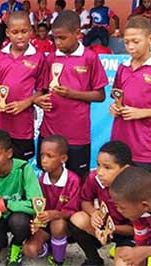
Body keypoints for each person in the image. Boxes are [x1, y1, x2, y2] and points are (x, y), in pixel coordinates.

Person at [35, 10, 108, 180]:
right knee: (48, 176)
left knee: (77, 178)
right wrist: (39, 101)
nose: (57, 42)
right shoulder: (51, 59)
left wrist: (72, 94)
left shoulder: (89, 58)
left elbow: (100, 95)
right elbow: (42, 92)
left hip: (77, 134)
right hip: (50, 131)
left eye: (62, 38)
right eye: (55, 38)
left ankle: (74, 208)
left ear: (77, 34)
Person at [109, 16, 151, 171]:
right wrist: (114, 107)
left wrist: (141, 113)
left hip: (142, 147)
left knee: (138, 192)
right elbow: (117, 97)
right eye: (126, 42)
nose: (130, 47)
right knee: (117, 190)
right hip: (118, 143)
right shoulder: (123, 68)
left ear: (150, 39)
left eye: (136, 41)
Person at [0, 129, 43, 266]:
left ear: (9, 153)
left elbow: (37, 205)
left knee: (19, 222)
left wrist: (8, 204)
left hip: (18, 218)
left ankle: (16, 246)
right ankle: (0, 241)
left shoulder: (24, 169)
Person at [0, 11, 47, 161]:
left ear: (31, 31)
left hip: (22, 125)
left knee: (20, 166)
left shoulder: (39, 58)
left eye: (24, 31)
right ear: (7, 33)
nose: (20, 36)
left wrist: (26, 103)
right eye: (15, 32)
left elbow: (42, 91)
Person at [68, 141, 135, 265]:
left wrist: (112, 229)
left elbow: (137, 229)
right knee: (78, 219)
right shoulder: (95, 178)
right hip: (105, 227)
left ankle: (123, 252)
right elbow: (85, 200)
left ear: (125, 169)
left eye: (107, 167)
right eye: (98, 165)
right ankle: (94, 260)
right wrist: (94, 213)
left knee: (123, 264)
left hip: (127, 234)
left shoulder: (135, 190)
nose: (100, 172)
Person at [22, 135, 81, 266]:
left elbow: (72, 211)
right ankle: (48, 247)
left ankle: (58, 260)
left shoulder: (73, 180)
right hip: (45, 224)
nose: (44, 160)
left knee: (57, 225)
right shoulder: (41, 180)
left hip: (63, 224)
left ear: (63, 158)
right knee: (29, 250)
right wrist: (36, 222)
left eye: (49, 156)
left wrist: (53, 214)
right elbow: (37, 206)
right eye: (42, 155)